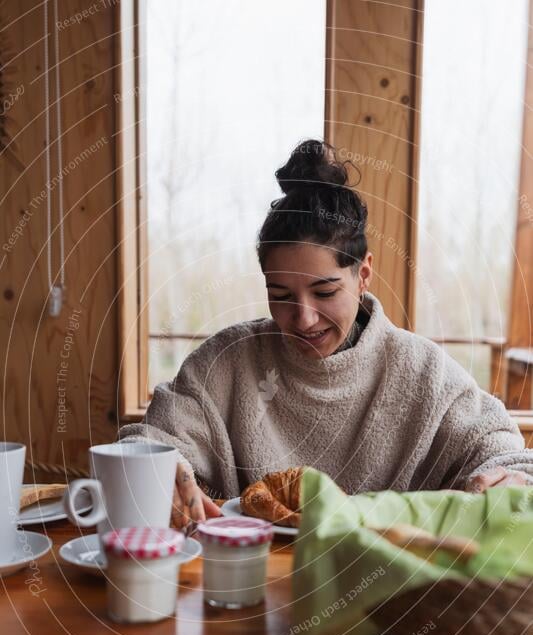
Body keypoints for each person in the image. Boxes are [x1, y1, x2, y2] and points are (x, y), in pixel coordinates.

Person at [119, 139, 533, 530]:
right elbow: (149, 440)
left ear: (363, 274)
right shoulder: (227, 362)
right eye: (280, 295)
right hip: (248, 579)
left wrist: (506, 479)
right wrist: (156, 467)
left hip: (391, 592)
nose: (303, 318)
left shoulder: (423, 372)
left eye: (324, 291)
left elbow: (503, 451)